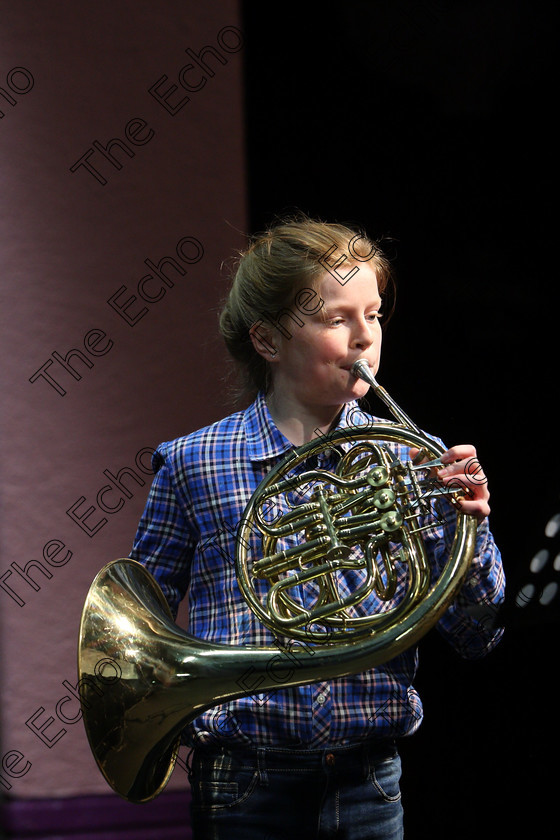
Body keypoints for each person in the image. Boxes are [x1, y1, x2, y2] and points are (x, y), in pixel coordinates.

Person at [129, 215, 505, 839]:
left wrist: (471, 532)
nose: (365, 339)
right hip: (245, 781)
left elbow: (478, 634)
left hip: (371, 782)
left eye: (375, 314)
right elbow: (141, 637)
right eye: (337, 319)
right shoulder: (192, 462)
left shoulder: (417, 459)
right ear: (269, 341)